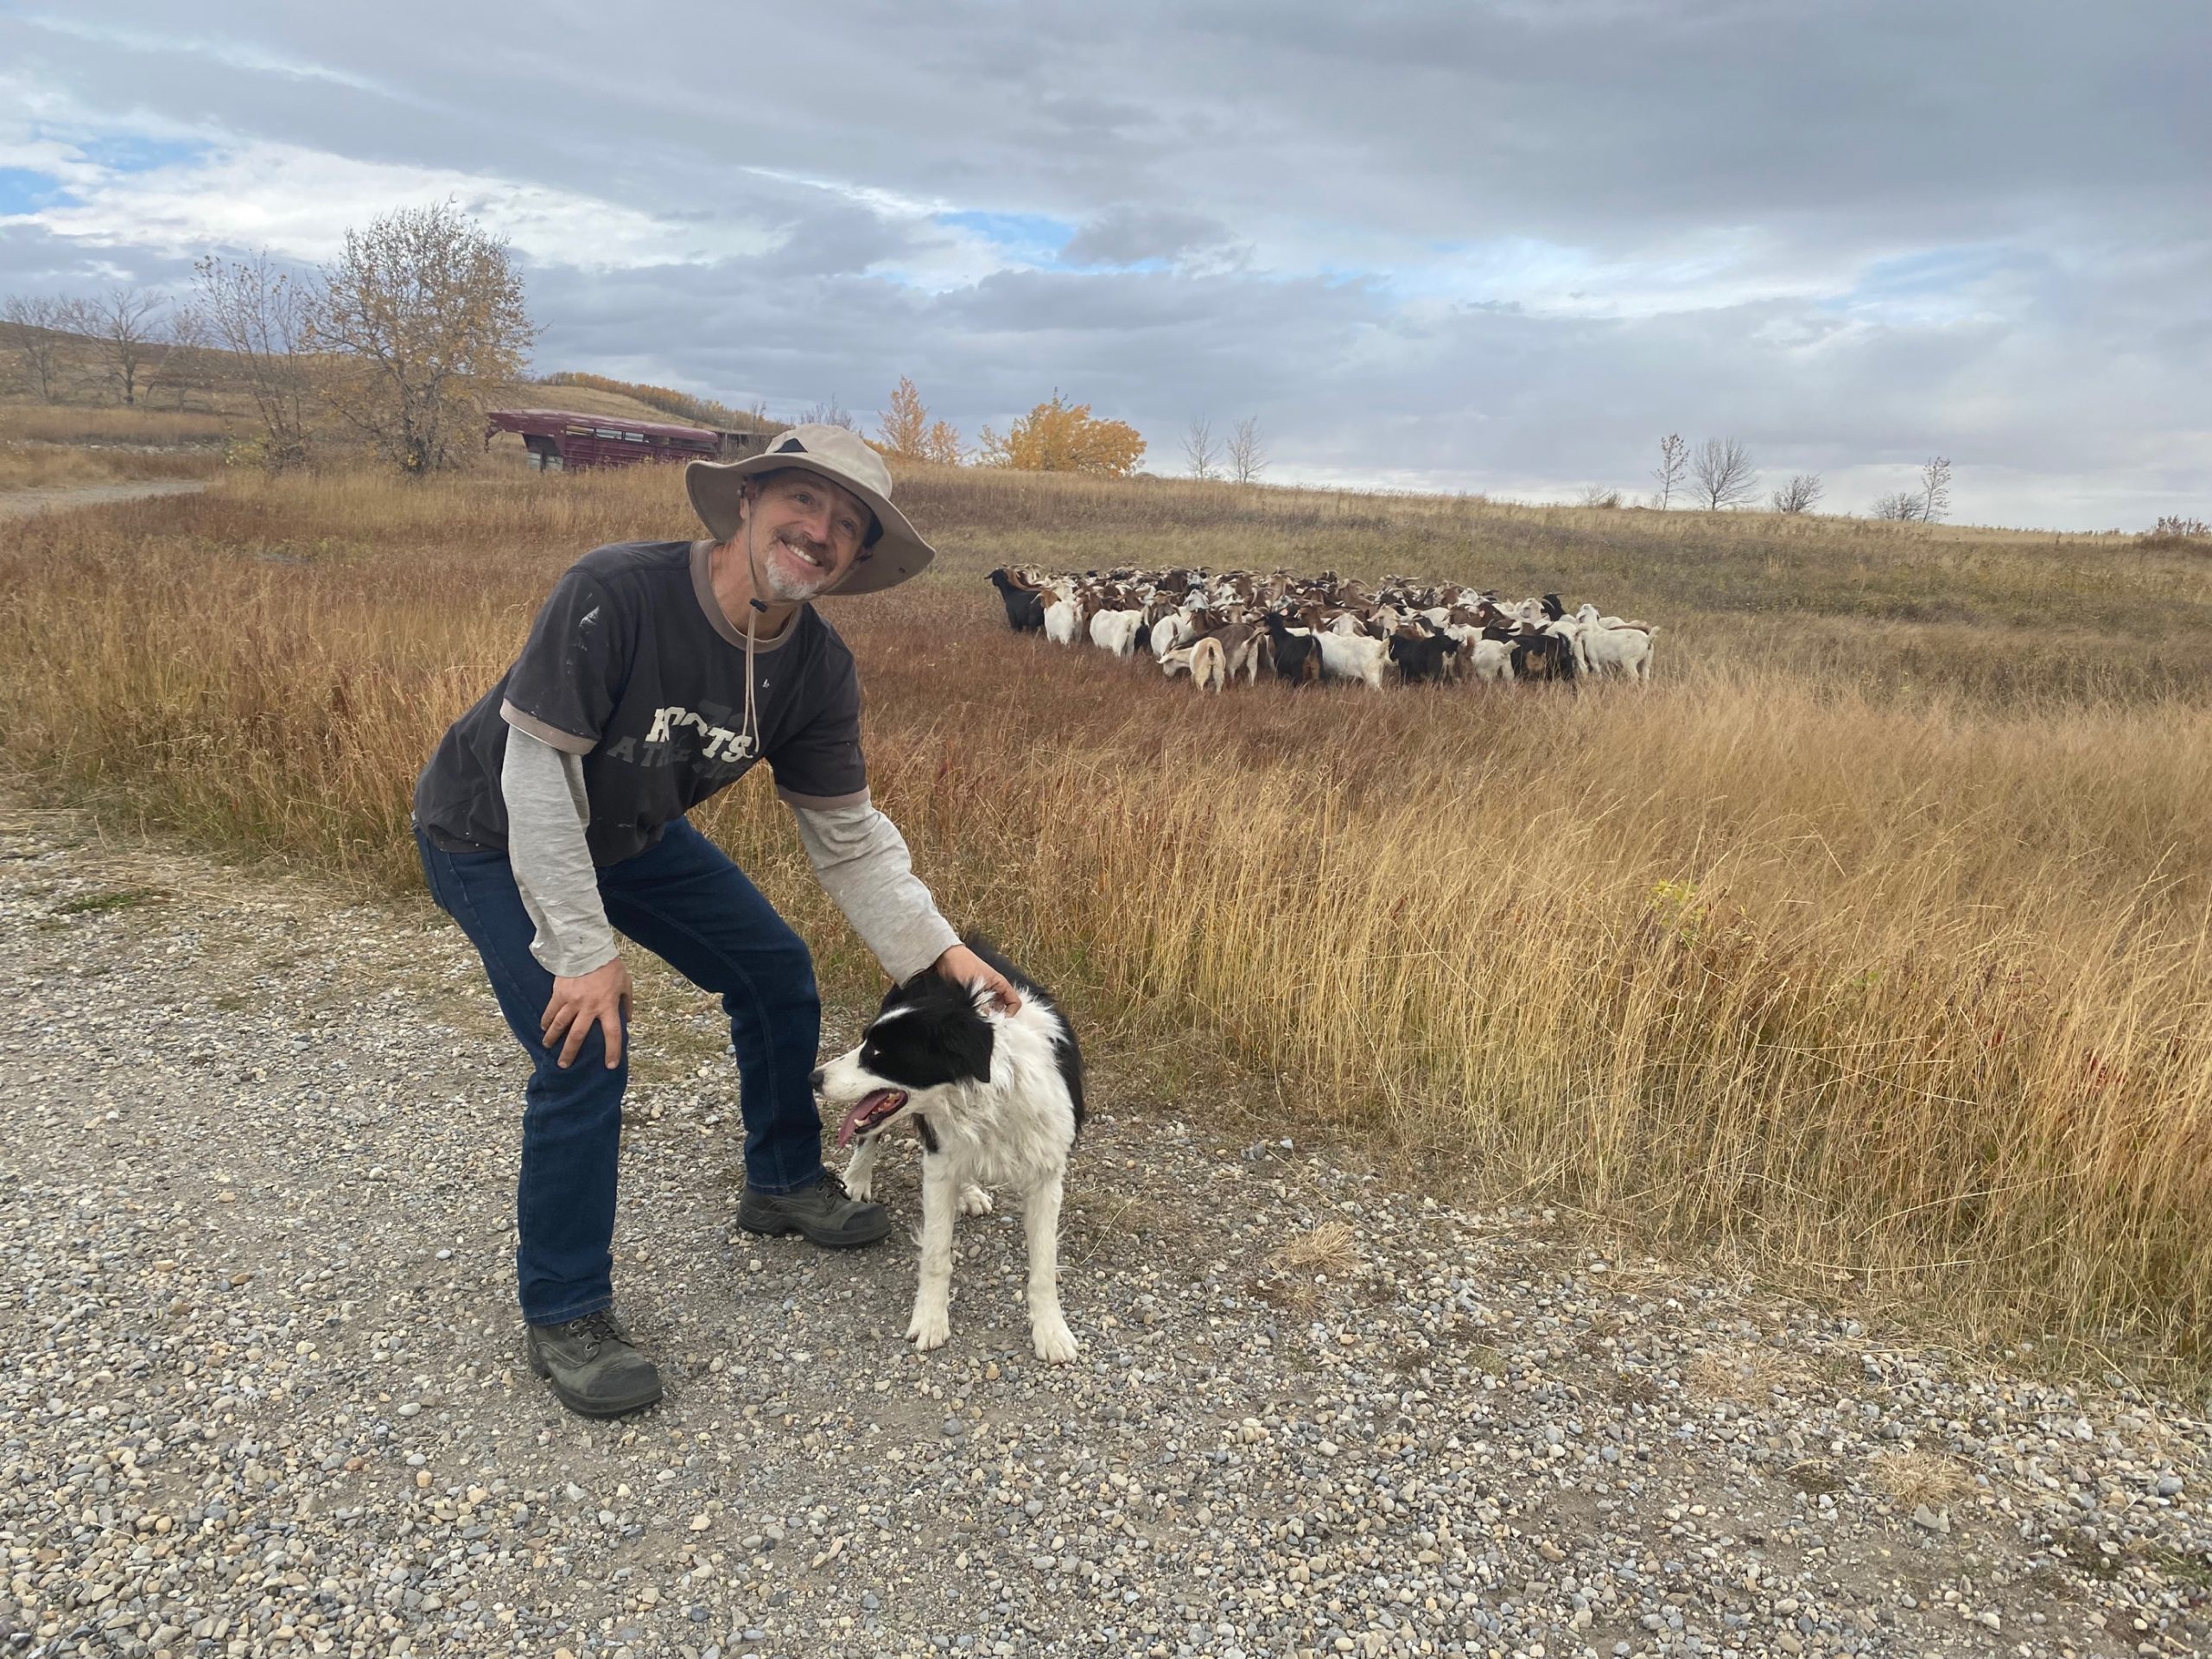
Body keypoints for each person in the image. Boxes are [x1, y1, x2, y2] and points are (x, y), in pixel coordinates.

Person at [410, 423, 1019, 1418]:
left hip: (631, 835)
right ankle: (566, 1314)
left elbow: (850, 842)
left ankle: (780, 1181)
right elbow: (537, 772)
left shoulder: (817, 670)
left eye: (848, 524)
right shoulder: (617, 592)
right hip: (491, 831)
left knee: (774, 969)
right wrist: (581, 949)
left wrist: (941, 953)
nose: (819, 531)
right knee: (584, 1046)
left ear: (858, 556)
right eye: (804, 502)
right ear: (747, 502)